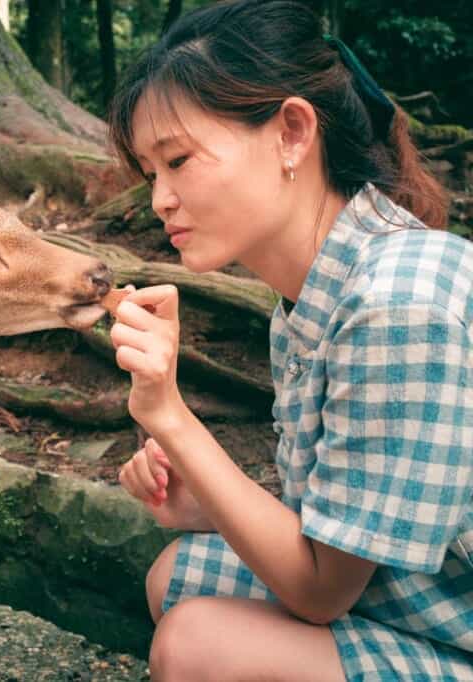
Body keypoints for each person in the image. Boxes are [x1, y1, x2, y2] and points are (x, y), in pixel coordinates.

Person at [106, 0, 473, 679]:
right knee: (180, 577)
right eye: (151, 174)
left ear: (293, 132)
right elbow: (335, 531)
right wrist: (205, 500)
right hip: (430, 604)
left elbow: (320, 590)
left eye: (179, 160)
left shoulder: (398, 306)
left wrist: (169, 414)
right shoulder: (311, 298)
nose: (159, 199)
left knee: (196, 646)